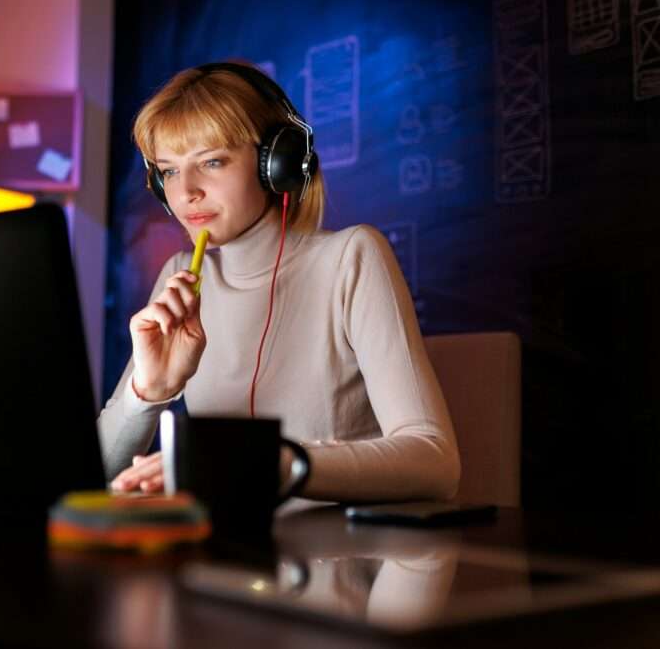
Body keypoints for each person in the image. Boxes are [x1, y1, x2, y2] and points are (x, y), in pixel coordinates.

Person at [98, 62, 460, 504]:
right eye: (169, 171)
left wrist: (274, 461)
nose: (186, 191)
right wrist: (148, 394)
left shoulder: (350, 257)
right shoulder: (181, 276)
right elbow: (92, 477)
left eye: (211, 161)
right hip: (228, 559)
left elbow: (435, 462)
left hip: (343, 561)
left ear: (278, 162)